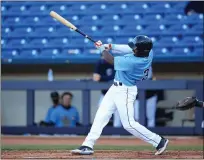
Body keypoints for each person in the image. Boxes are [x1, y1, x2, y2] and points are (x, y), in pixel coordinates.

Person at [71, 35, 169, 155]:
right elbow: (128, 48)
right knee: (101, 115)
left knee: (128, 124)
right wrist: (110, 46)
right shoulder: (149, 52)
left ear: (141, 50)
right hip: (115, 88)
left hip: (126, 91)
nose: (133, 49)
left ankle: (159, 141)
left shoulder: (134, 62)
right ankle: (88, 145)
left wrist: (102, 49)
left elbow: (111, 60)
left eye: (136, 48)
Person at [93, 54, 121, 127]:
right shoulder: (100, 63)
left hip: (117, 94)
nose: (105, 58)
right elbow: (95, 77)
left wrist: (102, 78)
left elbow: (114, 77)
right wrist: (103, 78)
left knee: (117, 116)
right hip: (105, 94)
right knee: (101, 113)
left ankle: (117, 135)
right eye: (103, 56)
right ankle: (101, 134)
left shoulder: (116, 63)